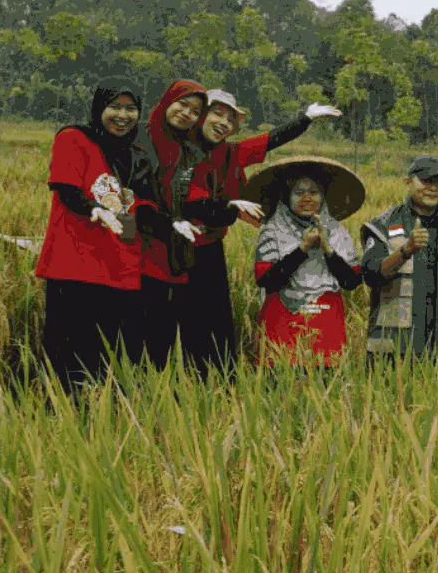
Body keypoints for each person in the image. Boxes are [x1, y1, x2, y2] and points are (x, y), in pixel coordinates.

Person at [177, 90, 343, 373]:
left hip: (208, 247)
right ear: (200, 114)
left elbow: (270, 140)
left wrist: (305, 119)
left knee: (216, 317)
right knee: (177, 319)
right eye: (217, 114)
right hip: (172, 245)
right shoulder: (175, 150)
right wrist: (226, 205)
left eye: (230, 119)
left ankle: (219, 380)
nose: (223, 123)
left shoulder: (232, 153)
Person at [34, 81, 161, 391]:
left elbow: (138, 204)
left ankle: (104, 420)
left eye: (130, 108)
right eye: (114, 107)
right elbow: (66, 188)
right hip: (75, 265)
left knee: (111, 356)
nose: (122, 115)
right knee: (69, 352)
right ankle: (61, 417)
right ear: (98, 108)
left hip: (120, 266)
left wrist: (167, 223)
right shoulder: (74, 138)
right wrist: (95, 208)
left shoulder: (135, 154)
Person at [246, 156, 365, 366]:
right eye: (299, 193)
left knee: (325, 386)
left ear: (323, 196)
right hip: (283, 321)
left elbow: (351, 282)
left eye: (314, 192)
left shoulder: (337, 233)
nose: (307, 198)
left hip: (326, 320)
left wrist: (328, 250)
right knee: (278, 384)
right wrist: (302, 249)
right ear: (286, 197)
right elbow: (267, 281)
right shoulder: (273, 232)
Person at [359, 155, 438, 363]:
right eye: (425, 181)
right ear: (408, 182)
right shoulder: (382, 225)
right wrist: (405, 250)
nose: (432, 188)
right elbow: (371, 275)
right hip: (392, 350)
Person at [139, 80, 211, 366]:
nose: (186, 114)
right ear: (168, 100)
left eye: (195, 112)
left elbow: (195, 195)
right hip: (133, 244)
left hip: (170, 250)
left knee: (161, 328)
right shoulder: (137, 137)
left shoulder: (191, 152)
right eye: (182, 104)